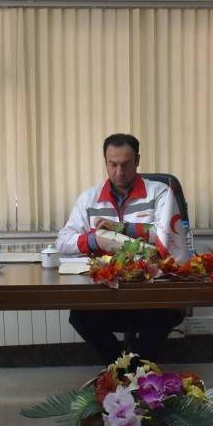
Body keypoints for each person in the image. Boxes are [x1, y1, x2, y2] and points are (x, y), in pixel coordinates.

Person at [57, 133, 186, 363]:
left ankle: (136, 371)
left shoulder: (159, 192)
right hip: (105, 292)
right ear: (105, 162)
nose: (119, 172)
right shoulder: (89, 199)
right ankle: (125, 368)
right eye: (113, 164)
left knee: (164, 313)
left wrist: (123, 228)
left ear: (137, 161)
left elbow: (168, 233)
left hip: (149, 291)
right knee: (80, 317)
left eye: (125, 164)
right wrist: (96, 240)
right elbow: (63, 241)